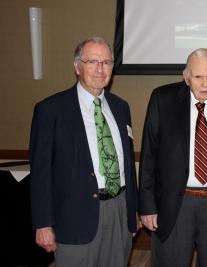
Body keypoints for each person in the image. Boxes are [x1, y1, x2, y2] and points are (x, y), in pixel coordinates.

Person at [29, 37, 138, 267]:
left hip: (118, 211)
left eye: (107, 62)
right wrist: (43, 224)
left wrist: (132, 212)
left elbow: (126, 165)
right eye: (93, 62)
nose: (101, 69)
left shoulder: (121, 107)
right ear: (77, 66)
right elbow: (40, 173)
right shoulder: (51, 110)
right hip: (74, 216)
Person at [139, 48, 207, 266]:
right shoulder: (163, 99)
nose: (206, 84)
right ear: (186, 76)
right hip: (175, 203)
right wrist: (147, 206)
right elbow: (149, 155)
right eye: (199, 77)